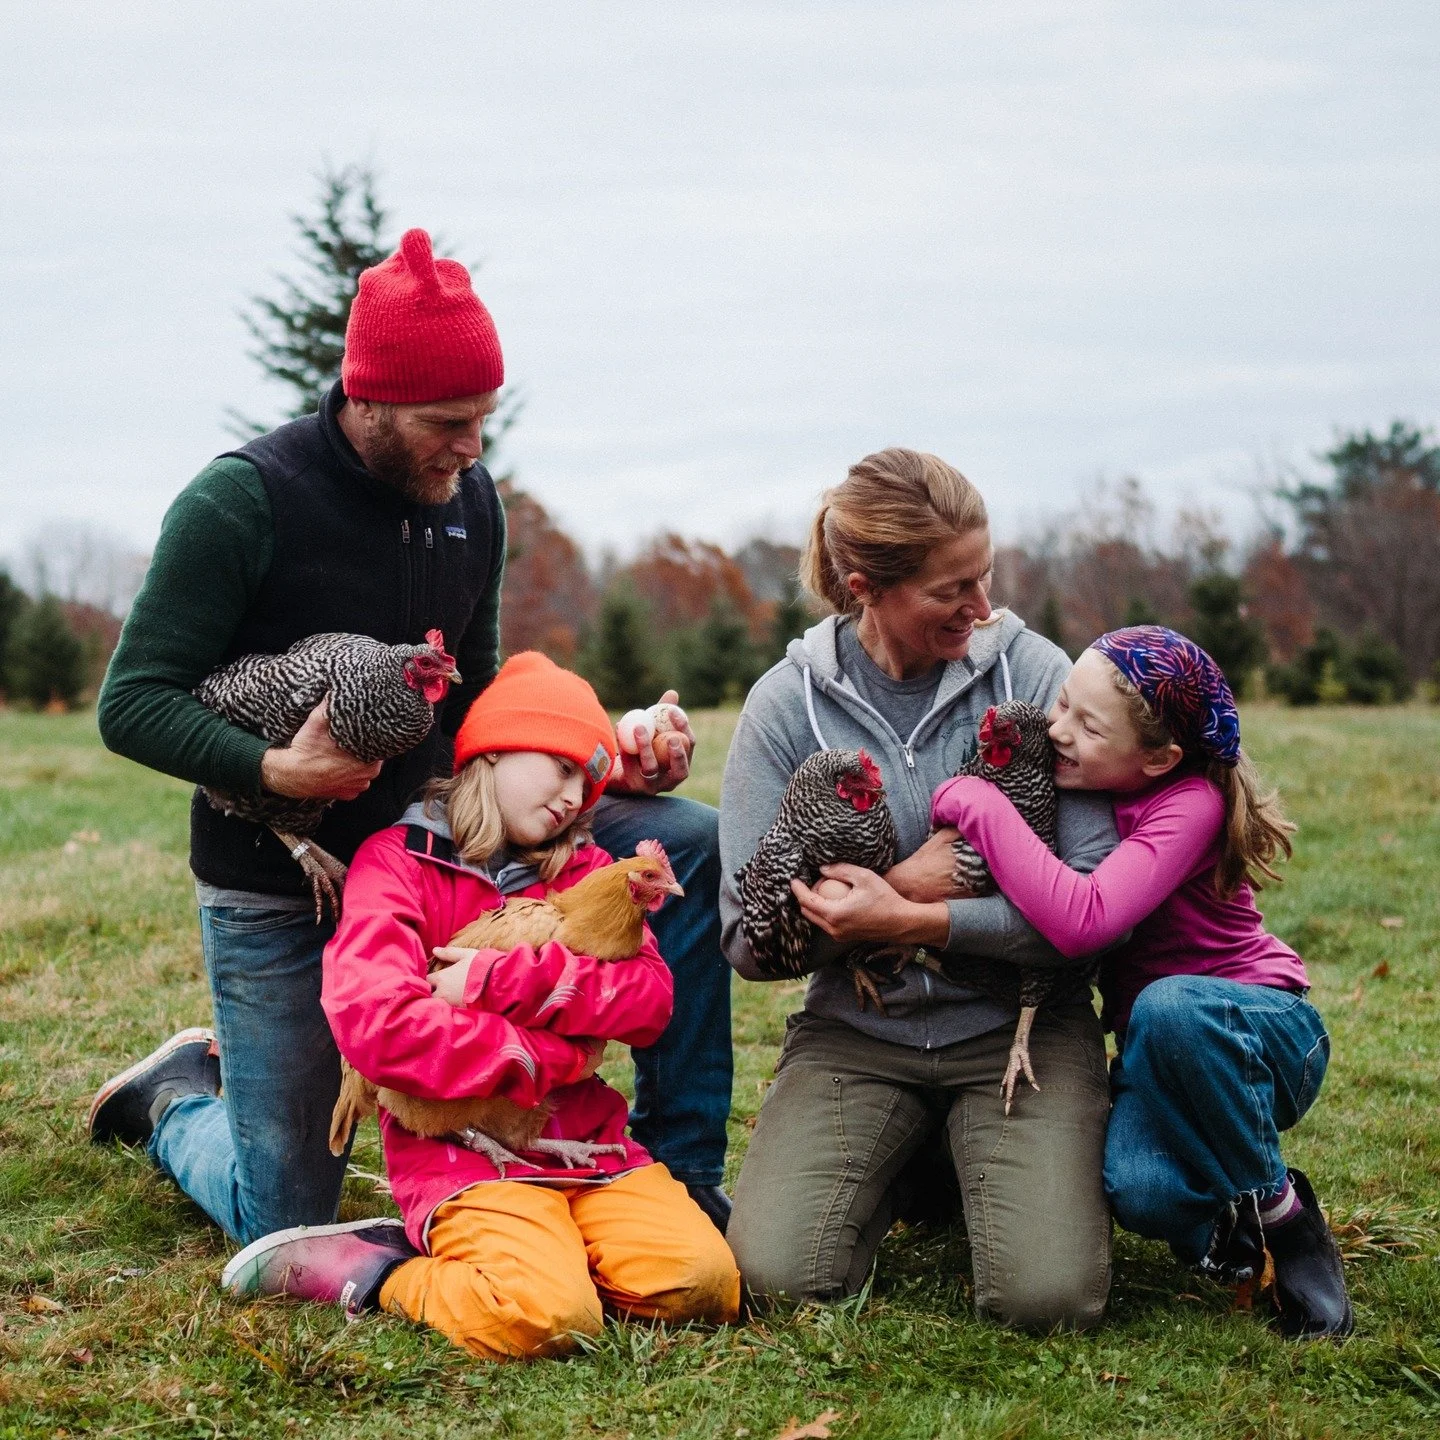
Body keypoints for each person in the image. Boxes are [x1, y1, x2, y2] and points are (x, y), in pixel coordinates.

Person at [87, 227, 733, 1243]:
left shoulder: (472, 501)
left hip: (442, 854)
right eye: (448, 422)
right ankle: (174, 1100)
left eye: (484, 420)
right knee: (285, 1213)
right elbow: (131, 702)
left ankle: (679, 1170)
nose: (473, 447)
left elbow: (478, 699)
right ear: (370, 398)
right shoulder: (240, 502)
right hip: (283, 880)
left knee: (684, 837)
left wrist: (596, 756)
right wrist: (276, 767)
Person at [222, 654, 738, 1356]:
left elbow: (649, 1002)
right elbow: (380, 1026)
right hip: (460, 1151)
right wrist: (552, 1052)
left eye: (586, 784)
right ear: (493, 749)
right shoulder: (398, 863)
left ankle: (555, 1255)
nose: (572, 797)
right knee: (545, 1317)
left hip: (588, 1146)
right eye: (560, 767)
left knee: (703, 1285)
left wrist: (500, 983)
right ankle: (382, 1271)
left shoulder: (585, 871)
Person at [719, 448, 1119, 1330]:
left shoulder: (1035, 676)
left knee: (1046, 1300)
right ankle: (913, 1152)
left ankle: (962, 1148)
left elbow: (1096, 911)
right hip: (859, 1033)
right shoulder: (786, 707)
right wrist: (896, 892)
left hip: (1020, 1025)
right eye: (952, 590)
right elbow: (747, 940)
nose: (982, 606)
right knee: (774, 1279)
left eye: (985, 576)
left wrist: (917, 918)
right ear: (866, 587)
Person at [930, 626, 1352, 1338]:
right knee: (1140, 1189)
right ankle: (1227, 1224)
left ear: (1159, 758)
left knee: (1167, 1004)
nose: (1058, 729)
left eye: (1088, 726)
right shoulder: (1095, 788)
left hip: (1262, 1035)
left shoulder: (1193, 804)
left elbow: (1083, 920)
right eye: (1062, 703)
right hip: (1162, 1056)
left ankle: (1286, 1219)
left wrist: (977, 801)